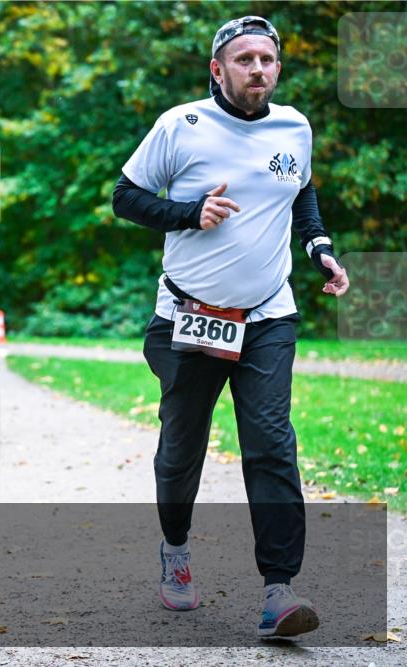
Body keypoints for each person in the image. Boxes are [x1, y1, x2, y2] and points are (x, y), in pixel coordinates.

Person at [111, 16, 349, 638]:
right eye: (244, 60)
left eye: (267, 60)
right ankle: (176, 547)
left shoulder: (294, 126)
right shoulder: (180, 125)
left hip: (269, 313)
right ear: (218, 69)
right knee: (181, 446)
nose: (258, 70)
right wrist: (191, 213)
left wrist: (319, 245)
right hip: (190, 315)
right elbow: (126, 197)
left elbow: (299, 193)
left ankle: (279, 590)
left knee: (271, 443)